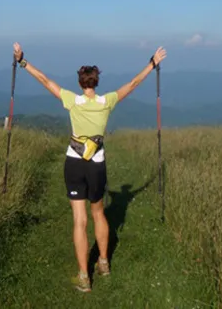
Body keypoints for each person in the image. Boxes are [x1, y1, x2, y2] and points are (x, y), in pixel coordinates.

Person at [13, 42, 167, 292]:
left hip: (74, 162)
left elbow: (44, 80)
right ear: (96, 82)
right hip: (97, 163)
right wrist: (152, 64)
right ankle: (104, 263)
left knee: (79, 220)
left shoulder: (72, 100)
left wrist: (22, 61)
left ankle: (84, 276)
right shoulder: (107, 102)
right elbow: (133, 84)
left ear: (80, 83)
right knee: (98, 213)